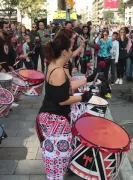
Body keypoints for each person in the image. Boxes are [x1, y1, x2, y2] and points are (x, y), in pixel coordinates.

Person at [36, 35, 94, 180]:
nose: (72, 51)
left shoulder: (54, 65)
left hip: (52, 117)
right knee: (57, 159)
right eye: (70, 49)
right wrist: (83, 97)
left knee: (58, 157)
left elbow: (65, 89)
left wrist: (89, 80)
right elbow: (62, 100)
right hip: (54, 119)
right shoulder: (58, 71)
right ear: (63, 52)